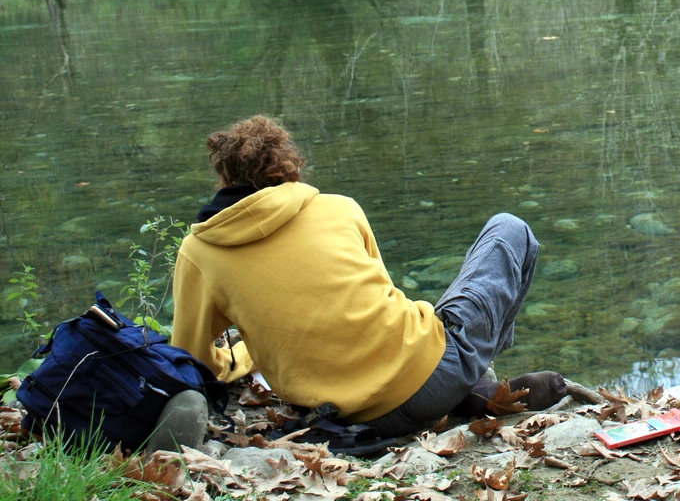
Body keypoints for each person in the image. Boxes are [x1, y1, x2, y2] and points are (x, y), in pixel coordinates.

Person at [170, 115, 566, 450]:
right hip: (431, 378)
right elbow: (375, 303)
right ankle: (476, 378)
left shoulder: (199, 251)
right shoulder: (339, 208)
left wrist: (239, 358)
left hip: (336, 417)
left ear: (224, 177)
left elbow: (190, 359)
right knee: (509, 229)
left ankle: (474, 388)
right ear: (289, 166)